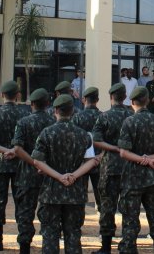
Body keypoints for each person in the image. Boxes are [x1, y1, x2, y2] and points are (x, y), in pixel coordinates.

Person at [32, 94, 99, 254]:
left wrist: (58, 176)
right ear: (73, 112)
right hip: (75, 192)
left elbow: (37, 161)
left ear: (55, 110)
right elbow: (91, 160)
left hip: (51, 192)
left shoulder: (47, 133)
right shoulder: (84, 135)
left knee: (50, 235)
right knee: (73, 235)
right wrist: (74, 175)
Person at [117, 86, 154, 254]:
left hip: (133, 178)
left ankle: (129, 249)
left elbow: (123, 152)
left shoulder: (129, 122)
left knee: (130, 219)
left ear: (132, 102)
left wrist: (143, 159)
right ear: (148, 101)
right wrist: (151, 159)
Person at [90, 83, 133, 254]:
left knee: (107, 207)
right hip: (129, 167)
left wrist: (114, 149)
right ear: (124, 97)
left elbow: (95, 140)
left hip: (109, 167)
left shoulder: (104, 117)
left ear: (111, 97)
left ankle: (106, 246)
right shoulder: (131, 115)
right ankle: (129, 244)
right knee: (130, 207)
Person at [11, 88, 55, 254]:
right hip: (48, 175)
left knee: (25, 214)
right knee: (48, 214)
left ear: (32, 104)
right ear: (48, 104)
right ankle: (48, 247)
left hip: (27, 175)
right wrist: (42, 165)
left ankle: (24, 248)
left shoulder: (24, 122)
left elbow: (17, 148)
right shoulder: (53, 122)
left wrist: (33, 162)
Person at [0, 80, 27, 251]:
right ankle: (23, 240)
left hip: (1, 163)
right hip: (21, 163)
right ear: (17, 95)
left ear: (2, 95)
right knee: (21, 202)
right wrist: (16, 151)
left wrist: (4, 150)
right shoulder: (25, 114)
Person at [72, 86, 102, 211]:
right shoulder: (103, 116)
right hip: (100, 159)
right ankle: (102, 218)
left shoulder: (77, 117)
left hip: (82, 161)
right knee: (100, 191)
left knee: (80, 193)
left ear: (84, 99)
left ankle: (78, 221)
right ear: (98, 100)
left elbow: (73, 139)